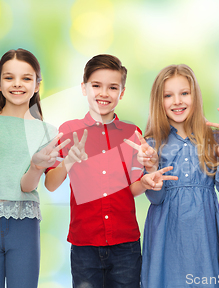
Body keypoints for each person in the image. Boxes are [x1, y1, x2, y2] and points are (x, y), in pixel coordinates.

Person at [44, 54, 176, 288]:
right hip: (85, 245)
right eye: (96, 85)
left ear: (121, 92)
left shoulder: (132, 133)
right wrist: (68, 163)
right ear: (84, 88)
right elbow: (51, 184)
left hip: (126, 245)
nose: (104, 93)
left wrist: (145, 181)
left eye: (112, 87)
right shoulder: (68, 131)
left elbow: (132, 188)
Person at [0, 48, 65, 288]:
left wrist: (37, 167)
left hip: (24, 224)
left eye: (26, 78)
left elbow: (27, 186)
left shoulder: (47, 132)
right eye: (9, 77)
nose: (17, 84)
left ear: (37, 85)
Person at [139, 64, 219, 288]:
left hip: (204, 234)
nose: (177, 101)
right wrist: (152, 167)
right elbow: (156, 199)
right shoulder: (153, 144)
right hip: (167, 235)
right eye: (168, 95)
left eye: (184, 93)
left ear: (195, 96)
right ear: (159, 101)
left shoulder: (213, 138)